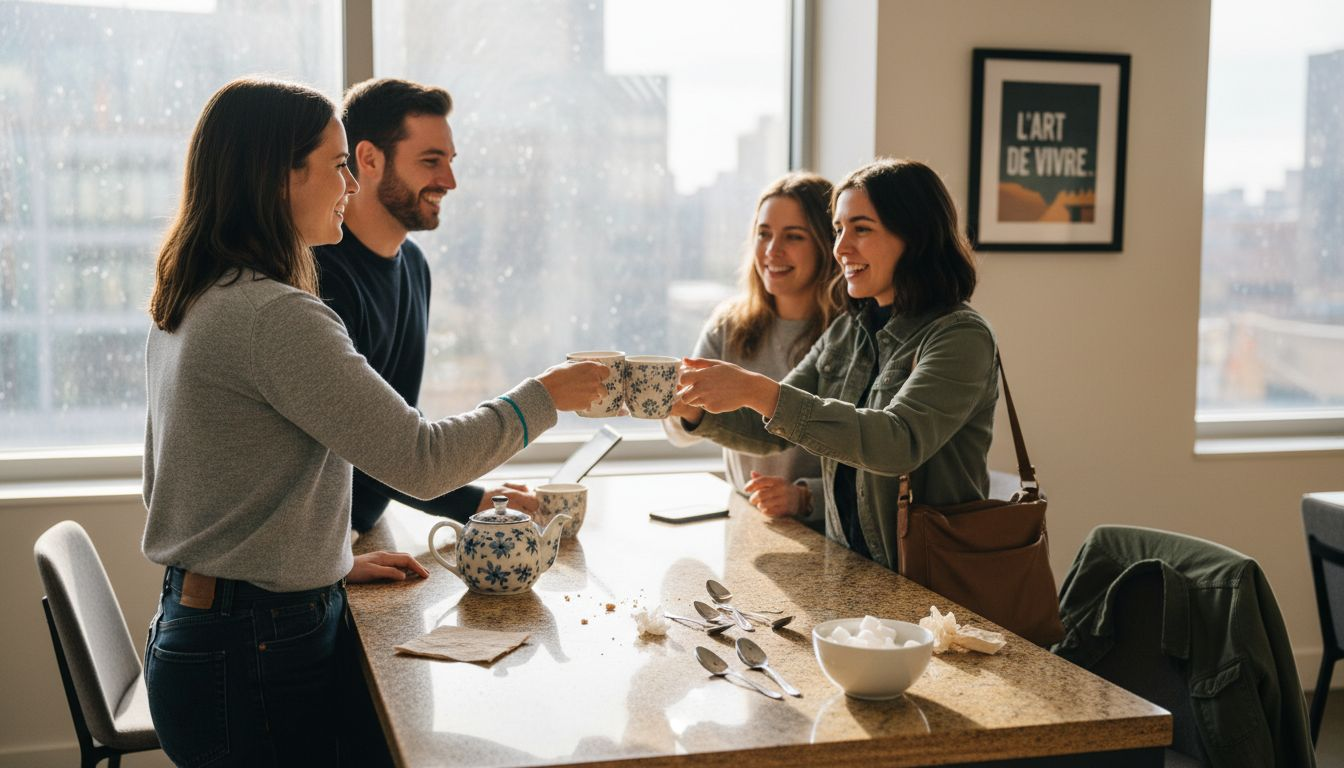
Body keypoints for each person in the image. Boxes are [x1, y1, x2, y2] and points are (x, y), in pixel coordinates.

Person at [140, 77, 606, 765]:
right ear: (279, 178)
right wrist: (547, 394)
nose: (348, 186)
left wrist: (322, 563)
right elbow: (417, 456)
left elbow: (213, 484)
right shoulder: (275, 316)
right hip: (251, 646)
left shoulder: (201, 293)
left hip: (221, 625)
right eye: (334, 167)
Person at [674, 158, 995, 570]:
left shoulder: (960, 336)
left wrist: (758, 390)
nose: (841, 248)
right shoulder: (849, 329)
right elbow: (770, 429)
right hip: (852, 569)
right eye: (839, 229)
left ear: (913, 236)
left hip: (931, 586)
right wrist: (690, 407)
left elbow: (898, 442)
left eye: (861, 229)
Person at [313, 77, 532, 535]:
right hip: (319, 548)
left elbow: (396, 434)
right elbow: (382, 447)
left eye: (450, 162)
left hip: (361, 536)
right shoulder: (319, 275)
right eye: (431, 161)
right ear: (368, 159)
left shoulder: (414, 265)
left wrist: (480, 500)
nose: (449, 181)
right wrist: (473, 501)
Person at [663, 172, 842, 529]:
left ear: (826, 245)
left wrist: (806, 496)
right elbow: (678, 434)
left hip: (824, 531)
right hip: (746, 521)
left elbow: (868, 456)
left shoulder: (846, 335)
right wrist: (677, 406)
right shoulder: (729, 324)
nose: (772, 250)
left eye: (793, 236)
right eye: (763, 234)